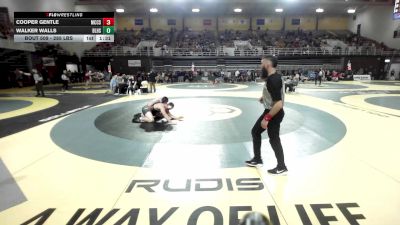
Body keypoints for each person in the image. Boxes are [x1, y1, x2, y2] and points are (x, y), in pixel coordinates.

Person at [246, 56, 287, 175]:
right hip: (271, 110)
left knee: (274, 139)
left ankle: (282, 166)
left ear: (268, 65)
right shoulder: (276, 76)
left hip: (274, 112)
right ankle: (257, 159)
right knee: (255, 132)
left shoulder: (272, 80)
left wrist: (267, 118)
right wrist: (265, 97)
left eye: (261, 63)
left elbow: (278, 104)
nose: (260, 66)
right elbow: (276, 94)